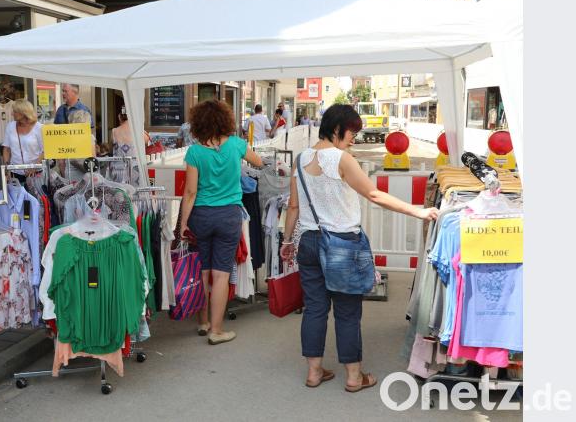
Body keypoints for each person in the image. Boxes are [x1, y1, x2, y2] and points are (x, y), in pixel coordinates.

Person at [279, 104, 438, 392]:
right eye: (352, 132)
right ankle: (354, 377)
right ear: (338, 128)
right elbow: (374, 194)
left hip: (309, 241)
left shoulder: (300, 159)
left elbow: (293, 206)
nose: (354, 138)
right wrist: (419, 212)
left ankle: (314, 373)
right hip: (342, 243)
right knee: (347, 311)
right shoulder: (342, 159)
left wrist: (288, 241)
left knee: (314, 308)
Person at [180, 100, 263, 345]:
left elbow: (190, 192)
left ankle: (203, 322)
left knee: (203, 269)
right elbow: (258, 161)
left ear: (198, 123)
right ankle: (217, 330)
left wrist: (184, 223)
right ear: (225, 120)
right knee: (220, 274)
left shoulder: (194, 152)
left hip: (201, 216)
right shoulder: (237, 145)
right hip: (228, 215)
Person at [2, 99, 44, 184]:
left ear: (23, 112)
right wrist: (7, 168)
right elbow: (6, 149)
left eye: (14, 111)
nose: (12, 114)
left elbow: (45, 151)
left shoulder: (39, 127)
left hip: (36, 173)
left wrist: (34, 167)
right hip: (15, 172)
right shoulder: (10, 126)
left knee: (35, 197)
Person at [109, 111, 149, 186]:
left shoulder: (114, 131)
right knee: (136, 194)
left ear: (120, 117)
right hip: (136, 170)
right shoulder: (140, 132)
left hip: (118, 172)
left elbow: (111, 150)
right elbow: (147, 144)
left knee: (120, 194)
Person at [61, 110, 98, 183]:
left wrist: (64, 176)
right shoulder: (89, 137)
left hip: (70, 175)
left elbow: (61, 163)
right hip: (86, 176)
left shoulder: (66, 137)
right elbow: (93, 158)